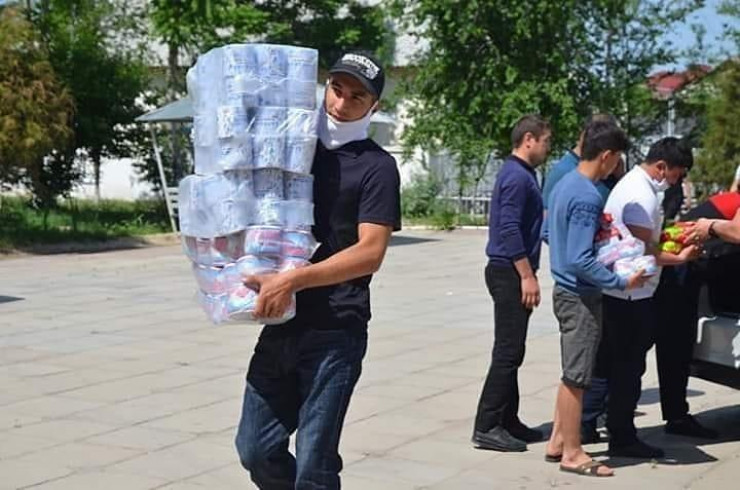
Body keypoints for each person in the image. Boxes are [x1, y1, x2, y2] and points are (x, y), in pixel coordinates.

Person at [234, 51, 401, 489]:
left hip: (336, 328)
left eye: (356, 97)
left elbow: (370, 252)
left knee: (315, 463)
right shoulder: (296, 147)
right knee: (254, 448)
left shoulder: (377, 167)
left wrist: (293, 279)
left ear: (374, 106)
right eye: (336, 89)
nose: (341, 104)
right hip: (283, 323)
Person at [544, 120, 645, 477]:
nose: (616, 166)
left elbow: (548, 233)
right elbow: (580, 258)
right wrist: (621, 280)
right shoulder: (587, 195)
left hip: (564, 289)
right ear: (606, 156)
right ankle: (573, 453)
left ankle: (558, 441)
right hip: (580, 296)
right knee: (578, 377)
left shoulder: (565, 182)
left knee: (571, 374)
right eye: (616, 159)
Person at [596, 137, 700, 459]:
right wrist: (680, 257)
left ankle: (597, 425)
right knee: (628, 367)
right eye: (675, 175)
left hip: (624, 288)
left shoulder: (634, 185)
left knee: (614, 363)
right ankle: (623, 436)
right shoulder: (641, 195)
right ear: (662, 166)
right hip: (631, 293)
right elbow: (646, 250)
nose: (675, 182)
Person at [472, 115, 552, 452]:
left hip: (511, 270)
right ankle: (487, 425)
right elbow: (508, 229)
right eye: (546, 141)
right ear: (529, 139)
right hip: (509, 271)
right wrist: (527, 275)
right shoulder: (517, 177)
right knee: (507, 351)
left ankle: (508, 419)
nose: (548, 148)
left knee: (514, 350)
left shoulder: (522, 174)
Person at [652, 190, 740, 441]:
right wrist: (712, 226)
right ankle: (676, 417)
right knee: (674, 343)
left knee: (672, 344)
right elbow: (737, 232)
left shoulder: (728, 199)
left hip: (688, 263)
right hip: (682, 266)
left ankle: (674, 415)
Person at [542, 114, 623, 213]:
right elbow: (547, 214)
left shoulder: (611, 171)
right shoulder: (562, 171)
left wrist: (620, 177)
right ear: (584, 135)